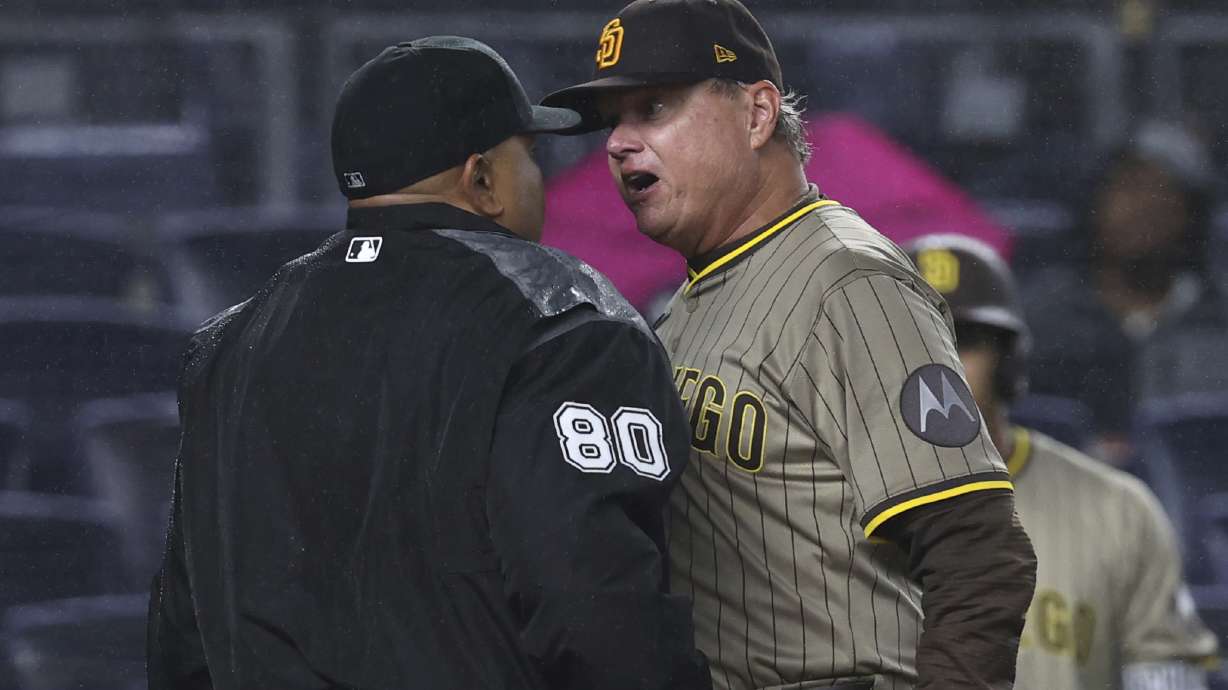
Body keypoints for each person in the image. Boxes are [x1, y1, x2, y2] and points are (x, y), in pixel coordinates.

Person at [147, 37, 711, 690]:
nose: (541, 176)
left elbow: (182, 638)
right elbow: (597, 613)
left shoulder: (229, 343)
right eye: (528, 155)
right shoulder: (562, 321)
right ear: (481, 180)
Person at [543, 2, 1037, 688]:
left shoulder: (848, 281)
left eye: (653, 107)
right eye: (614, 119)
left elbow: (980, 553)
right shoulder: (695, 297)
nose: (619, 142)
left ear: (757, 114)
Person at [906, 233, 1219, 690]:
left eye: (962, 339)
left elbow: (1169, 675)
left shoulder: (1117, 511)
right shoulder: (814, 511)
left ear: (1009, 362)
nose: (936, 364)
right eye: (910, 340)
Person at [1023, 120, 1228, 465]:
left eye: (1165, 192)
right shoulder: (1040, 318)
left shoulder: (1217, 322)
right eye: (1130, 186)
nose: (1145, 207)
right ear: (1096, 201)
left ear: (1192, 216)